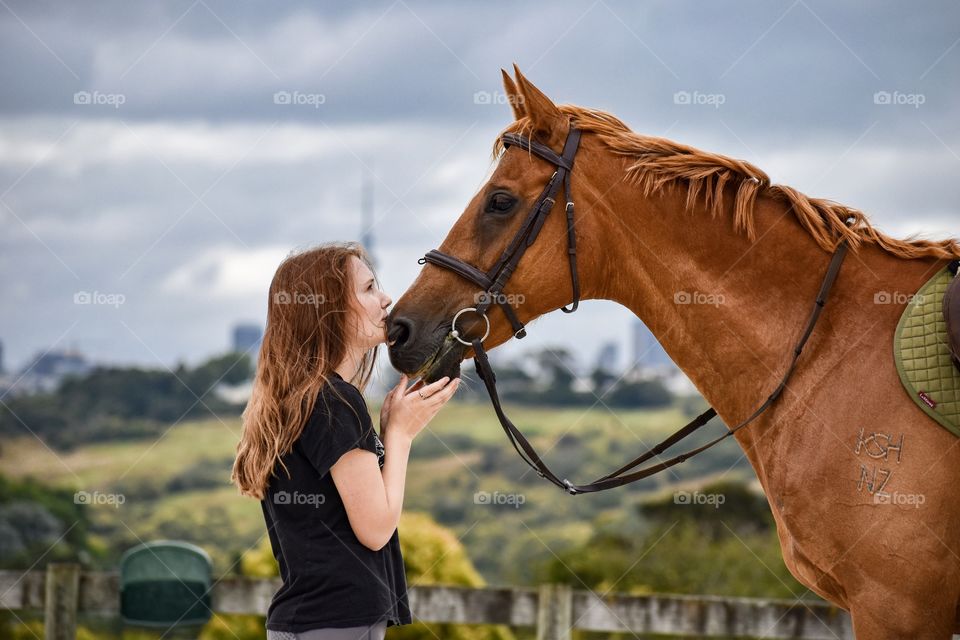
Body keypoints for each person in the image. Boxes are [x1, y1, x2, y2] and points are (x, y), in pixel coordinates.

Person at [231, 242, 460, 640]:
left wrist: (388, 433)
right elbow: (375, 528)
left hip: (317, 622)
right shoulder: (336, 400)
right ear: (329, 309)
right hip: (335, 624)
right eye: (369, 289)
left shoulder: (310, 397)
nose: (386, 298)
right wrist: (401, 436)